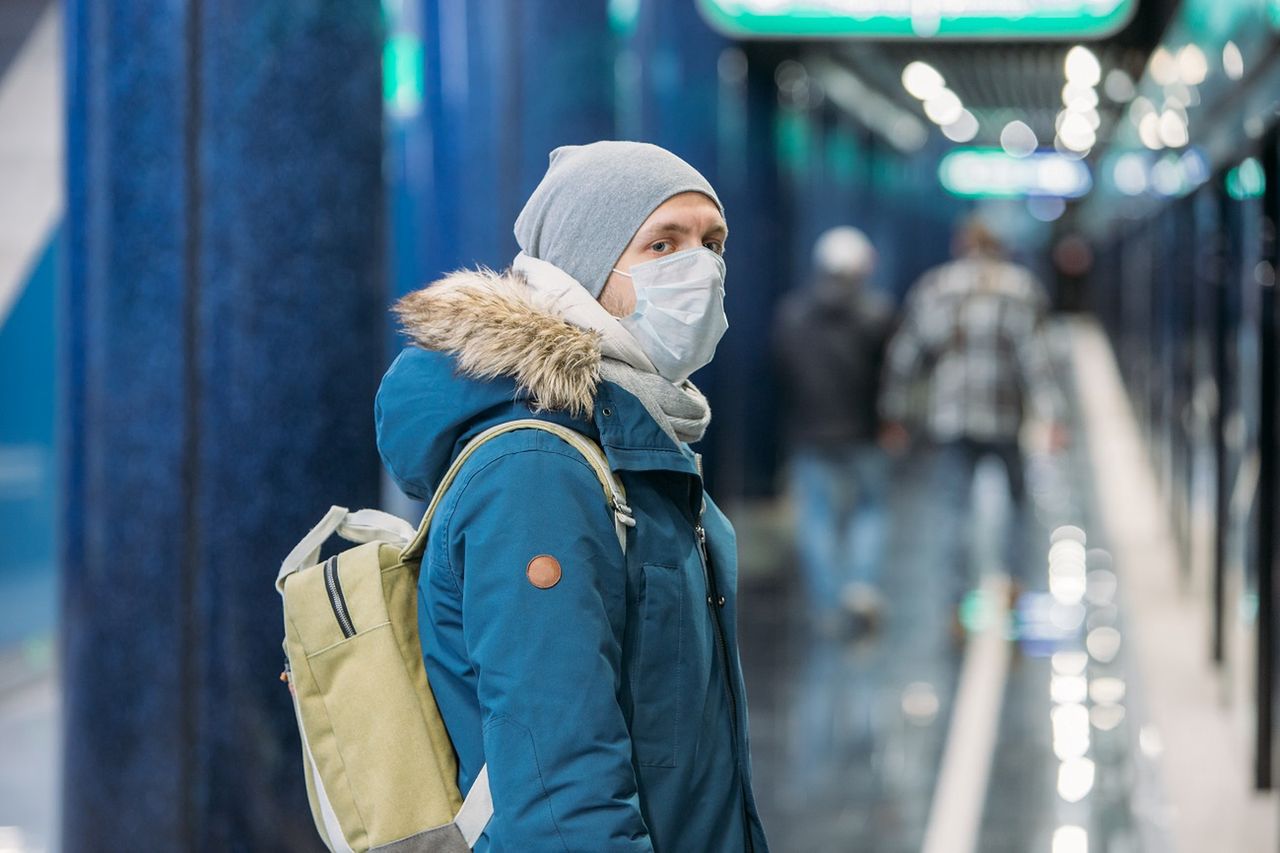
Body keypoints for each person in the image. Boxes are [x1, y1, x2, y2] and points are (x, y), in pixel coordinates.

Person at [374, 141, 769, 852]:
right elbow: (560, 796)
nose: (702, 267)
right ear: (586, 266)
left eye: (713, 242)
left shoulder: (638, 436)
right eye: (663, 242)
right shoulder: (539, 470)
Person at [879, 217, 1066, 627]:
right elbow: (1036, 360)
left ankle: (955, 599)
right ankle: (1013, 583)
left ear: (960, 245)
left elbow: (907, 355)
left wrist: (895, 414)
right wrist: (1052, 417)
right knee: (1017, 507)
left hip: (952, 420)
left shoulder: (936, 287)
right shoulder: (1020, 288)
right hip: (1006, 418)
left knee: (953, 510)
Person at [773, 226, 894, 634]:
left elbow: (781, 375)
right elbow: (888, 377)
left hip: (809, 431)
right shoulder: (877, 315)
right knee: (869, 509)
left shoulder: (792, 315)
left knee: (817, 517)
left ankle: (827, 605)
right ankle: (859, 586)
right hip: (864, 431)